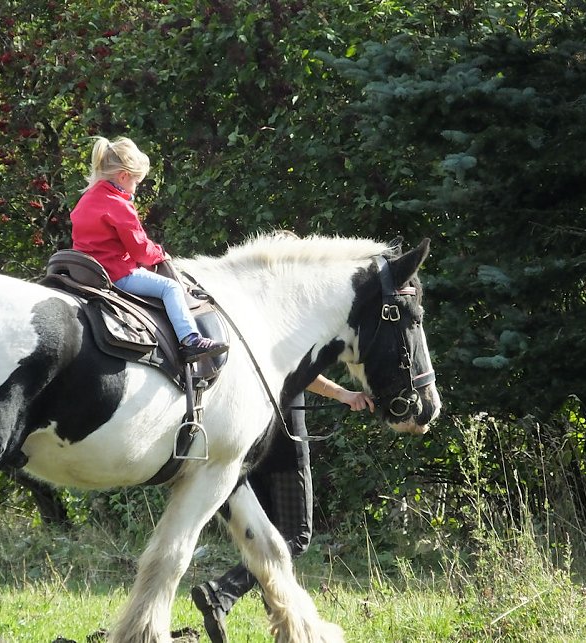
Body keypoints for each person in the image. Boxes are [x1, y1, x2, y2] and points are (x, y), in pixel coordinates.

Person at [191, 375, 374, 642]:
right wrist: (342, 393)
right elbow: (304, 368)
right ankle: (222, 593)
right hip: (286, 447)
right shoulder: (289, 333)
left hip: (250, 448)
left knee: (266, 541)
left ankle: (286, 633)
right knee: (296, 537)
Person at [69, 136, 228, 362]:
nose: (136, 187)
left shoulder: (86, 199)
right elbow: (141, 252)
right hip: (116, 274)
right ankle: (190, 340)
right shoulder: (119, 205)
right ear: (123, 176)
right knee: (170, 288)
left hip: (87, 272)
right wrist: (160, 253)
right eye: (136, 181)